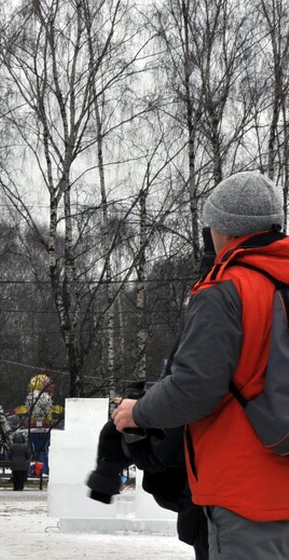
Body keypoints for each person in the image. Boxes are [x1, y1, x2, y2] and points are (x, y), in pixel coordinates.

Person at [113, 171, 289, 559]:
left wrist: (138, 412)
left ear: (221, 229)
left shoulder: (228, 288)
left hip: (246, 491)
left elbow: (194, 388)